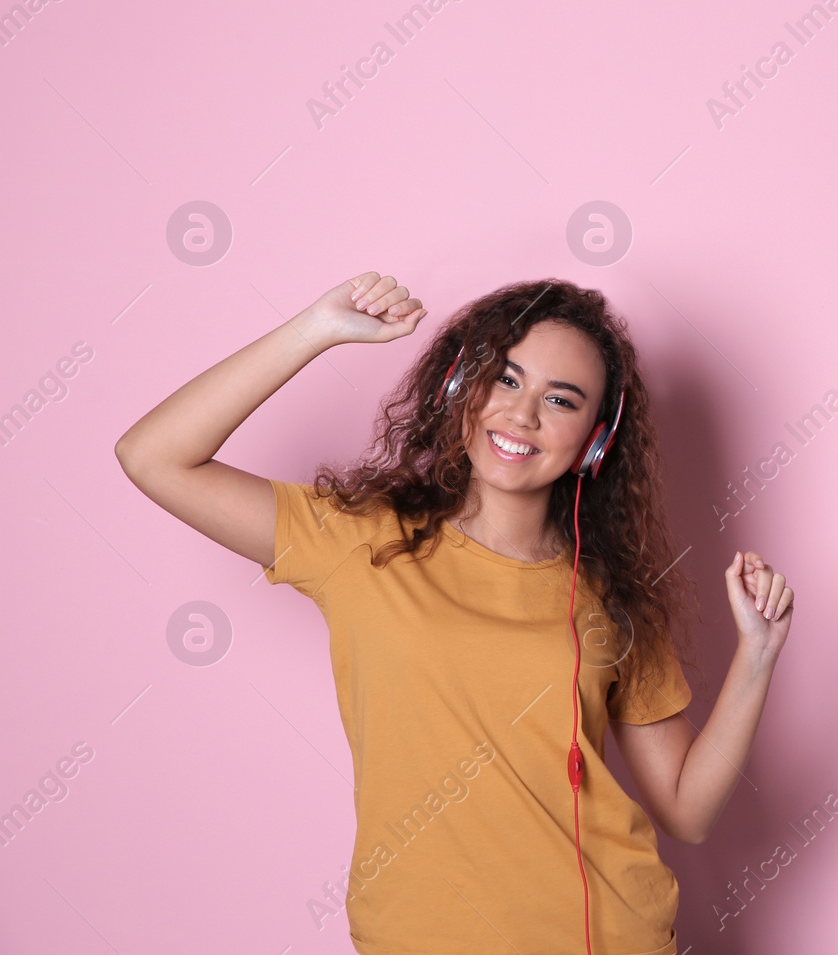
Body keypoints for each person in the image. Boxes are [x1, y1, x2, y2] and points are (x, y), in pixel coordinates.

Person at [115, 272, 795, 955]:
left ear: (594, 440)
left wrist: (758, 655)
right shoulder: (357, 543)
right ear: (457, 387)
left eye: (560, 400)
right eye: (505, 379)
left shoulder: (609, 596)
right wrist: (316, 329)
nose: (522, 415)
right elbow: (153, 457)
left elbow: (687, 810)